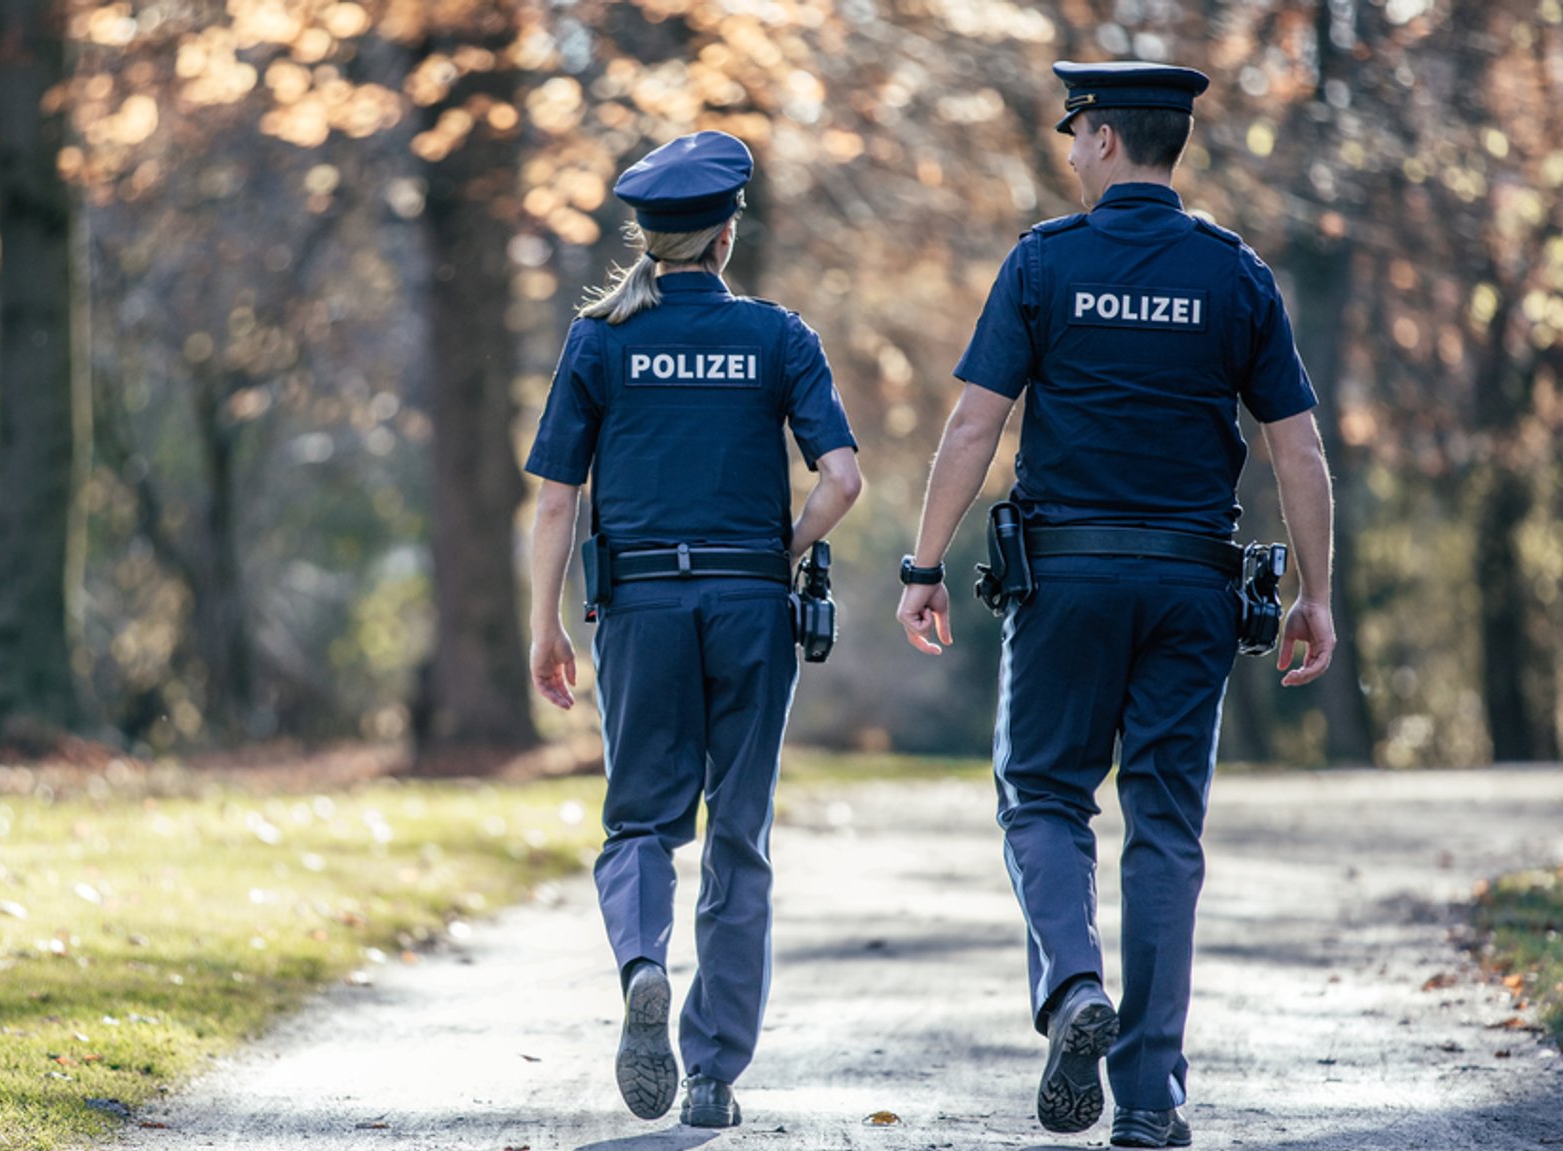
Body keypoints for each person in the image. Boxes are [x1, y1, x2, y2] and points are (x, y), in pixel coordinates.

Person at [892, 62, 1337, 1148]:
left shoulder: (1044, 262)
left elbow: (970, 427)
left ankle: (1072, 986)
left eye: (1072, 132)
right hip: (1192, 584)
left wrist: (922, 562)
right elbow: (1297, 446)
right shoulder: (1233, 274)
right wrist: (1316, 595)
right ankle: (1148, 1094)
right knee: (1164, 828)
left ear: (1098, 138)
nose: (1066, 149)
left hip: (1066, 579)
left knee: (1041, 793)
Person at [524, 130, 862, 1129]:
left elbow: (555, 501)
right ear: (726, 232)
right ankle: (712, 1075)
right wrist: (786, 546)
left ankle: (640, 964)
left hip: (640, 609)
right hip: (751, 604)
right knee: (738, 834)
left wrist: (544, 624)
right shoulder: (777, 336)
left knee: (638, 820)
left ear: (649, 233)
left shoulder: (598, 338)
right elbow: (840, 479)